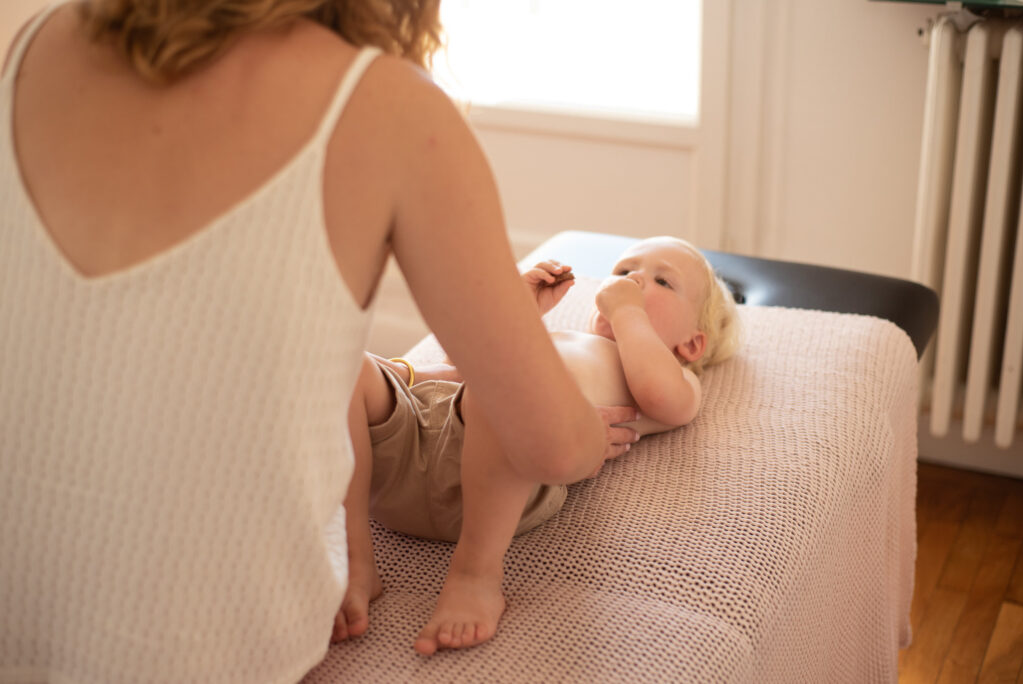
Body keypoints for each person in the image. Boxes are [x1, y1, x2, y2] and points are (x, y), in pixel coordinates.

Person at [0, 1, 636, 681]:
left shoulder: (38, 37)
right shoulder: (390, 108)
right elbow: (556, 445)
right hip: (207, 652)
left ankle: (357, 557)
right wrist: (590, 408)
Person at [337, 236, 741, 655]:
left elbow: (662, 397)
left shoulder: (672, 374)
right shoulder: (564, 339)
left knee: (510, 383)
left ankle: (476, 576)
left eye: (662, 281)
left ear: (692, 343)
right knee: (348, 365)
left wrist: (627, 312)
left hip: (506, 468)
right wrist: (519, 317)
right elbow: (458, 371)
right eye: (622, 272)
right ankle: (354, 560)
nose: (633, 280)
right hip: (412, 440)